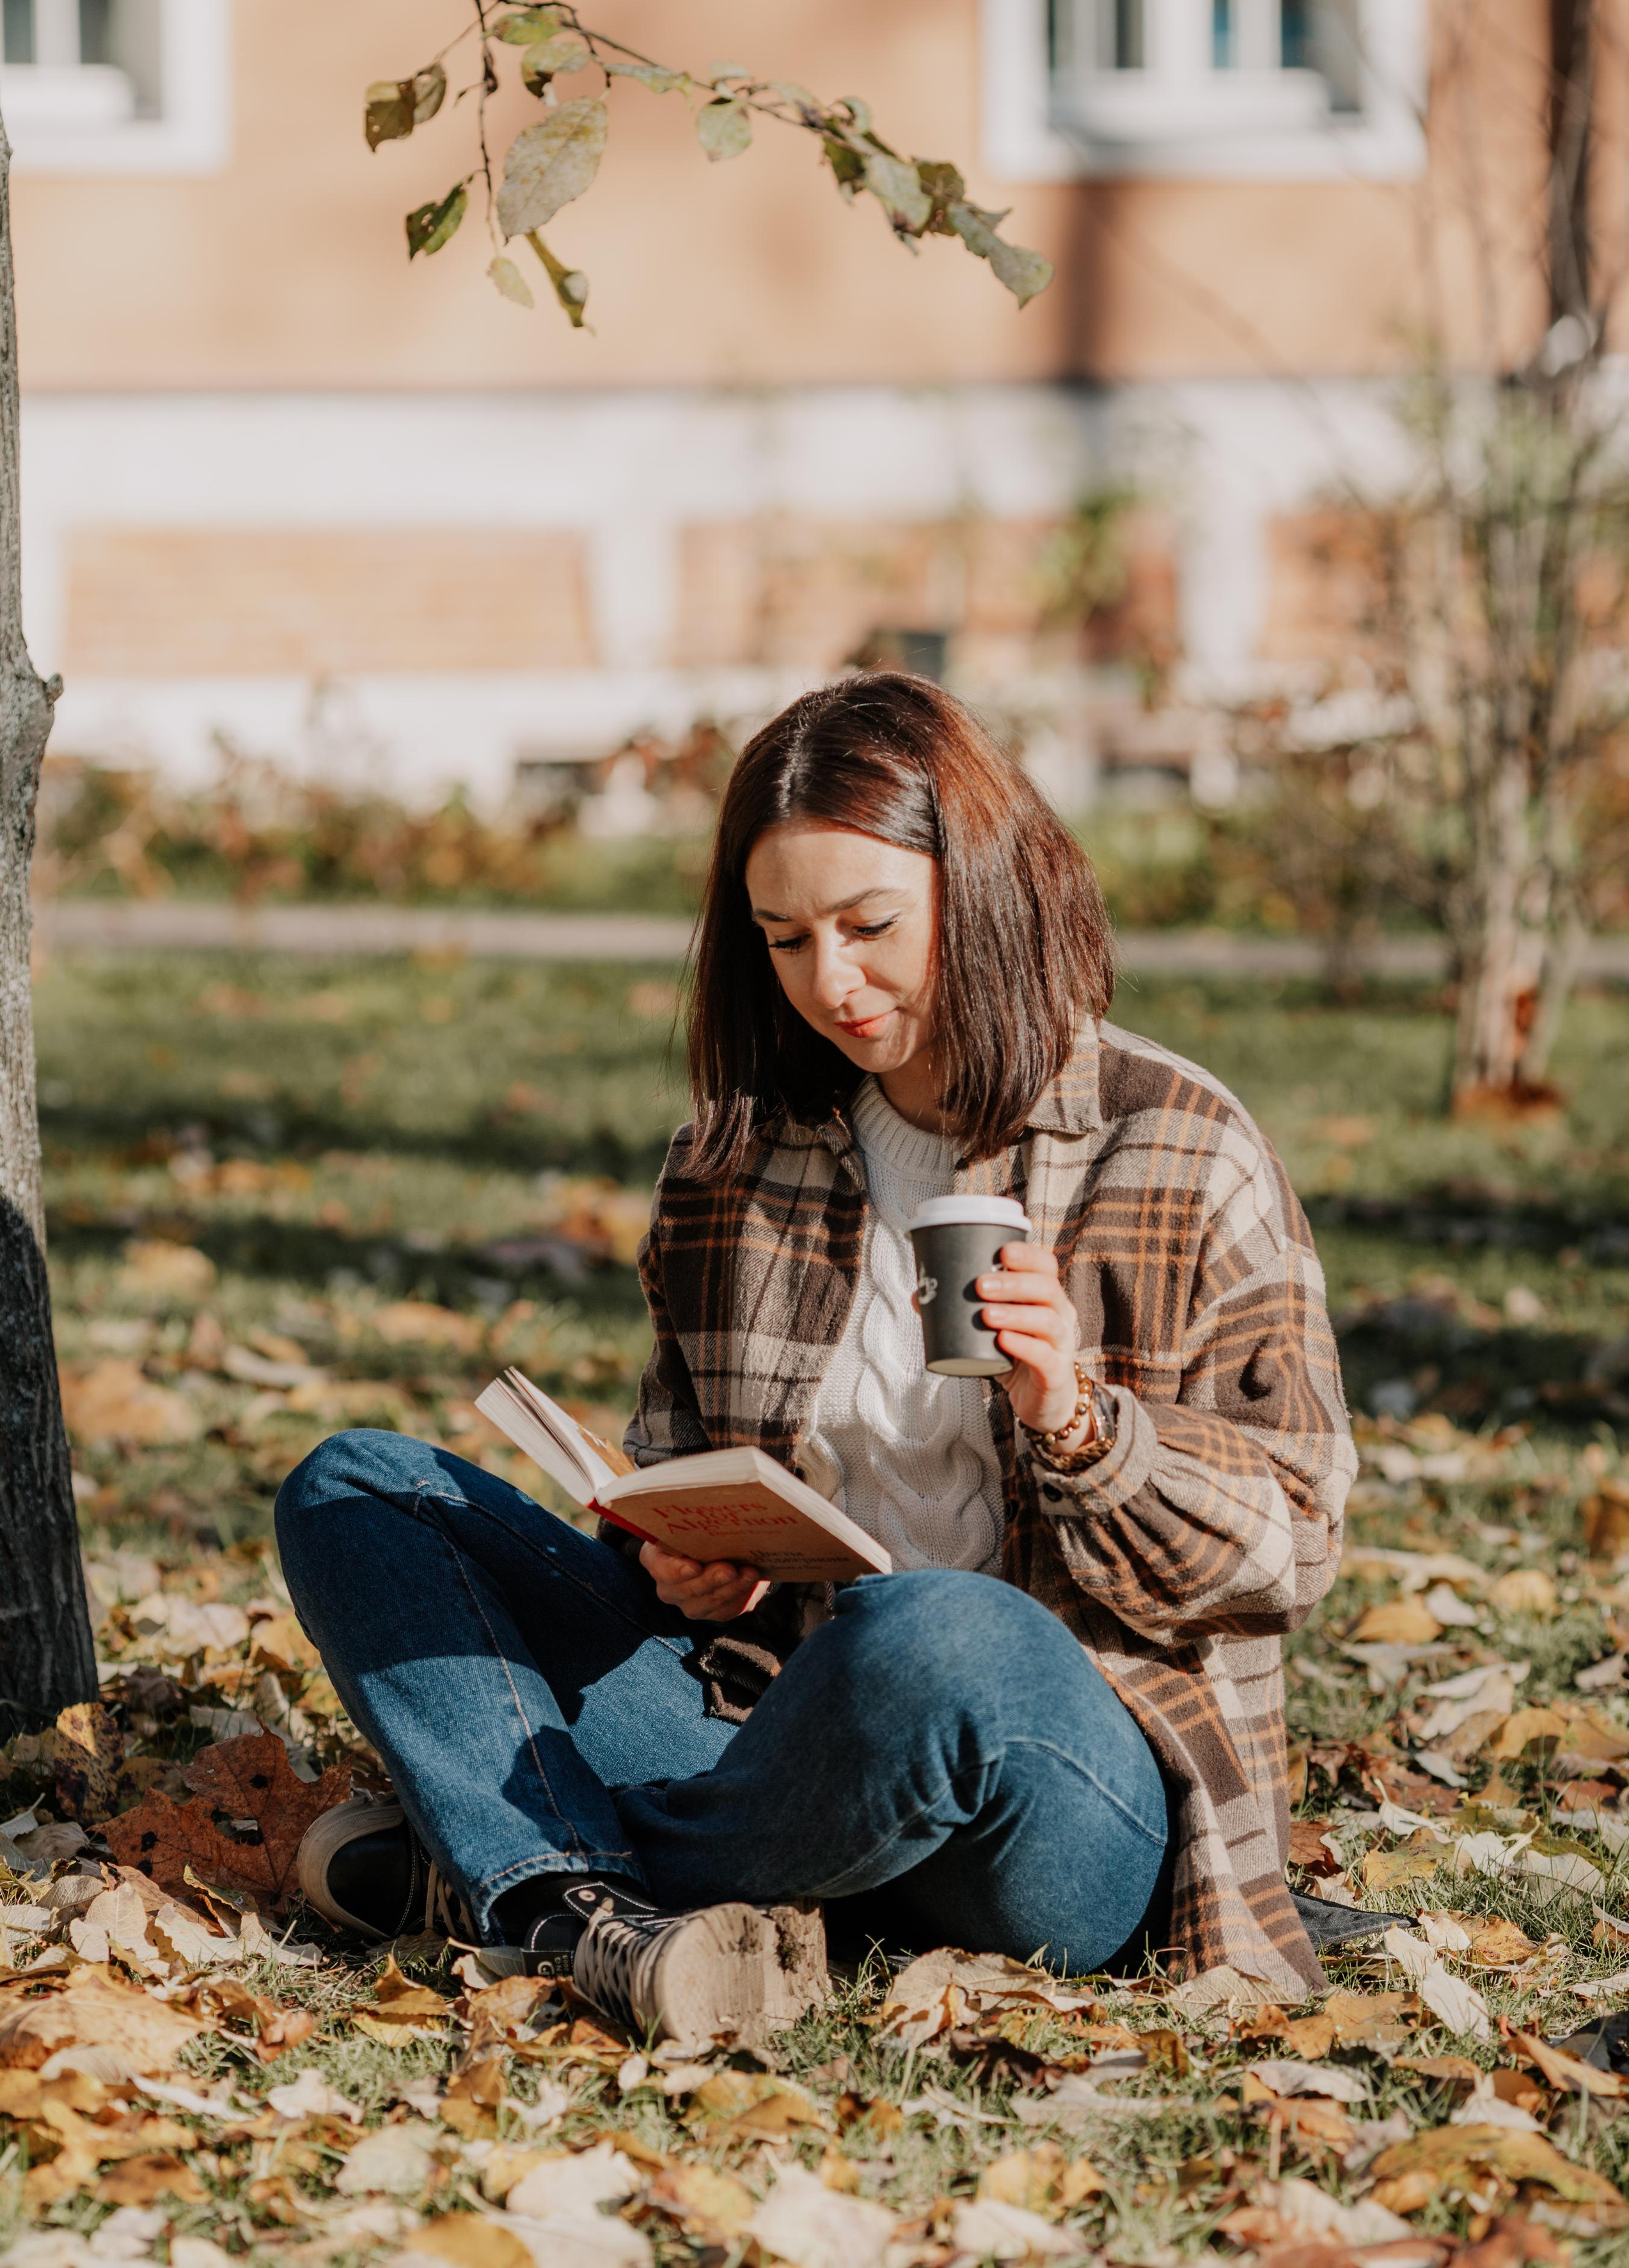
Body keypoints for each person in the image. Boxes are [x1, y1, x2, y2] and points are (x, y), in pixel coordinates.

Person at [276, 674, 1360, 2043]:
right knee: (360, 1487)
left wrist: (1085, 1425)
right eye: (784, 939)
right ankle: (585, 1908)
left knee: (931, 1633)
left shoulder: (1178, 1143)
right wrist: (681, 1558)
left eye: (868, 926)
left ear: (978, 889)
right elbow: (680, 1483)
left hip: (1062, 1786)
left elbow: (1293, 1548)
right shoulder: (730, 1164)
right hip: (765, 1733)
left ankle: (516, 1871)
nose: (829, 983)